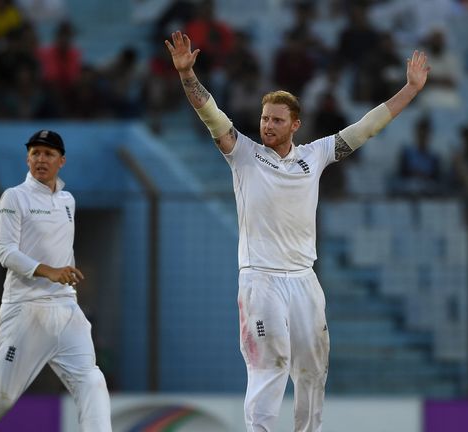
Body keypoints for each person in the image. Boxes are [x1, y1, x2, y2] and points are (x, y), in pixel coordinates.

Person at [165, 31, 429, 431]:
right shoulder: (244, 155)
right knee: (269, 365)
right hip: (261, 279)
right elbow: (211, 114)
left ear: (295, 125)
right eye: (264, 118)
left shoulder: (315, 155)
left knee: (313, 368)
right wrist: (187, 75)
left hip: (304, 280)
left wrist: (410, 89)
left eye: (276, 120)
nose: (267, 125)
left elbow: (366, 128)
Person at [0, 130, 112, 431]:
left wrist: (68, 280)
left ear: (61, 161)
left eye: (48, 154)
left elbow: (63, 248)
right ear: (27, 158)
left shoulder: (67, 201)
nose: (40, 159)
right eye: (35, 153)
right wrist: (49, 270)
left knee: (91, 379)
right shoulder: (14, 197)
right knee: (1, 396)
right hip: (25, 309)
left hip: (65, 309)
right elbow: (6, 252)